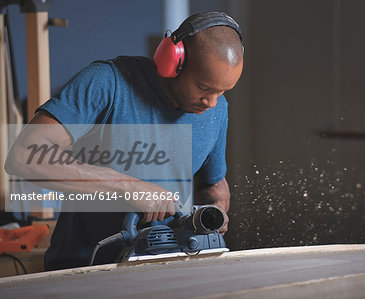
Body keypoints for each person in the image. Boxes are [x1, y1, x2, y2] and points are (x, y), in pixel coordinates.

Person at [4, 11, 244, 270]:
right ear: (173, 60)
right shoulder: (107, 83)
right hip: (86, 268)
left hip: (170, 270)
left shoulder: (216, 110)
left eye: (222, 91)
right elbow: (25, 155)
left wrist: (215, 210)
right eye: (204, 88)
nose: (211, 102)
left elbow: (214, 185)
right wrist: (132, 189)